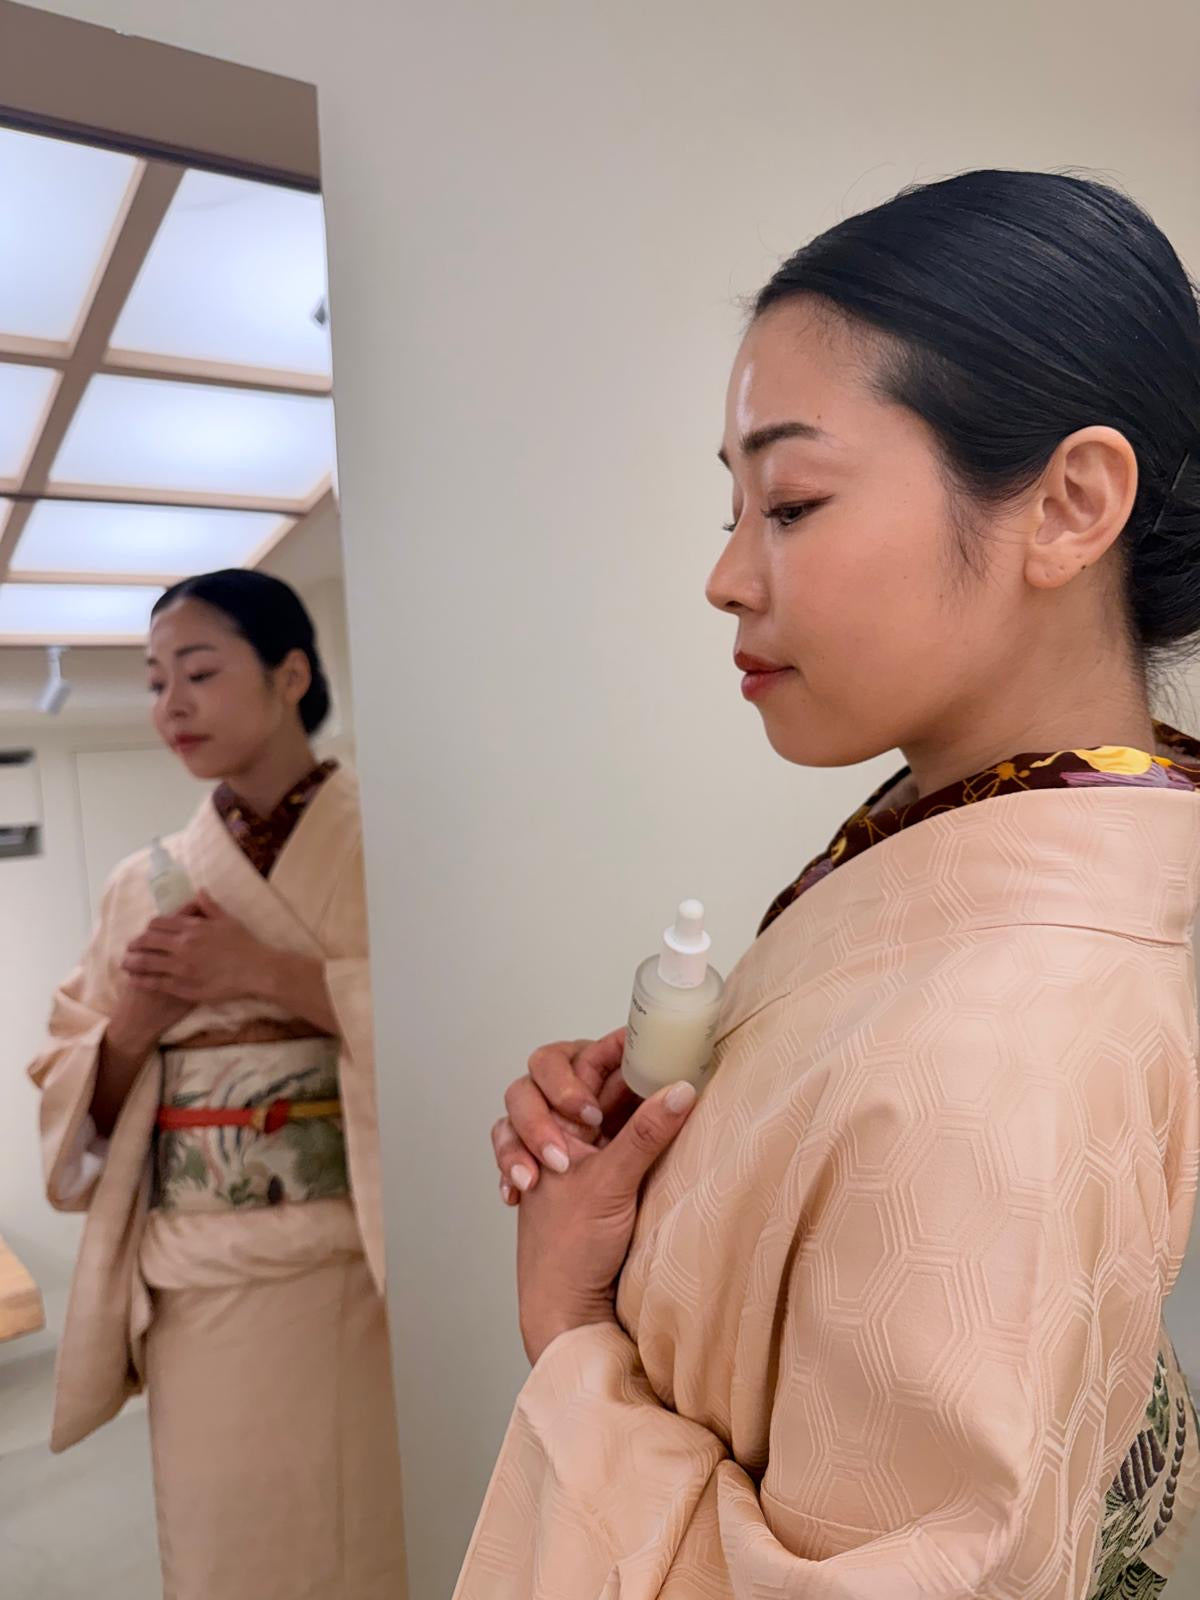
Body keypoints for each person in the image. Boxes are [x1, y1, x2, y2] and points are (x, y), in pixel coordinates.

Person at [460, 171, 1200, 1598]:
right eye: (733, 505)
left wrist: (571, 1328)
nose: (727, 577)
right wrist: (686, 1124)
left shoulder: (1001, 1047)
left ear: (1070, 505)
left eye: (791, 501)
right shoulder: (974, 831)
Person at [29, 569, 406, 1600]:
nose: (170, 706)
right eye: (156, 682)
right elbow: (76, 1086)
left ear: (291, 675)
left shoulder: (398, 847)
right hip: (199, 1282)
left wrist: (264, 974)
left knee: (378, 1536)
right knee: (225, 1553)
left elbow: (453, 1028)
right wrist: (136, 1024)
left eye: (198, 672)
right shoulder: (140, 883)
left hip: (364, 1267)